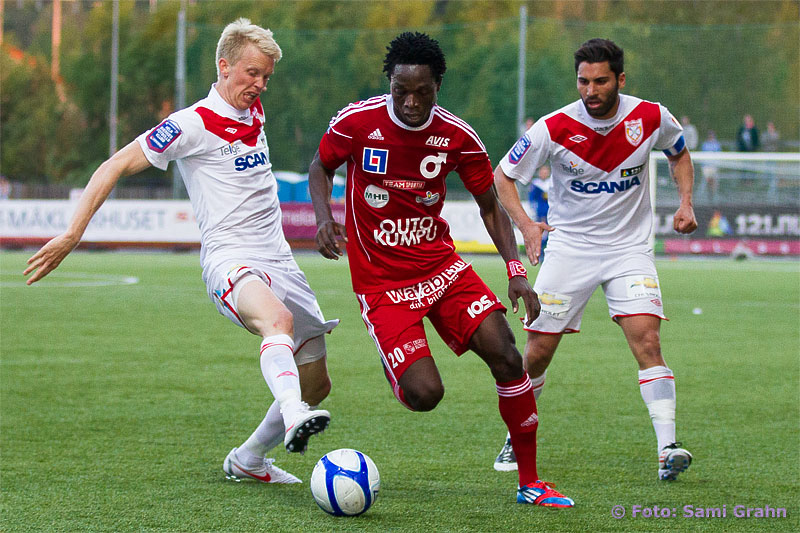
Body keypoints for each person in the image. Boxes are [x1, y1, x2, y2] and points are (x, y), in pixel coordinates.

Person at [23, 18, 336, 484]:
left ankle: (248, 460)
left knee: (317, 381)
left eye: (267, 76)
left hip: (280, 259)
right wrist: (72, 233)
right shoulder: (190, 124)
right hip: (231, 259)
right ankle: (292, 414)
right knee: (279, 324)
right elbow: (113, 165)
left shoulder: (255, 111)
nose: (260, 84)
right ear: (224, 66)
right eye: (252, 73)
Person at [308, 32, 573, 508]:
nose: (411, 102)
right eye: (401, 91)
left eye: (422, 92)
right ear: (390, 83)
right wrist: (325, 218)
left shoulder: (458, 137)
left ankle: (530, 482)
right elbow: (320, 166)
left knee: (509, 356)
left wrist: (515, 270)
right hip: (383, 285)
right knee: (426, 395)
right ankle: (400, 371)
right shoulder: (356, 123)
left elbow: (490, 206)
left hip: (442, 269)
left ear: (438, 86)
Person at [492, 38, 697, 482]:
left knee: (648, 343)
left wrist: (686, 203)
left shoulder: (651, 116)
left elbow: (679, 152)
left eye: (601, 81)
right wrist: (527, 225)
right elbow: (502, 176)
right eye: (584, 81)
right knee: (538, 353)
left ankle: (668, 449)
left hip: (630, 251)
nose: (591, 90)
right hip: (570, 250)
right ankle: (516, 434)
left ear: (620, 79)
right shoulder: (553, 127)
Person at [527, 164, 551, 254]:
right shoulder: (536, 184)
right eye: (542, 171)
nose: (544, 173)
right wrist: (534, 209)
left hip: (551, 213)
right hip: (540, 212)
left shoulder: (551, 183)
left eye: (546, 171)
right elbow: (532, 199)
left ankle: (547, 251)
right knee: (541, 233)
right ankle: (539, 252)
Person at [700, 130, 722, 201]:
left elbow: (719, 155)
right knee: (706, 180)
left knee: (714, 182)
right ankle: (704, 196)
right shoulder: (705, 145)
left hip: (714, 166)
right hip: (706, 166)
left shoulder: (717, 145)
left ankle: (714, 197)